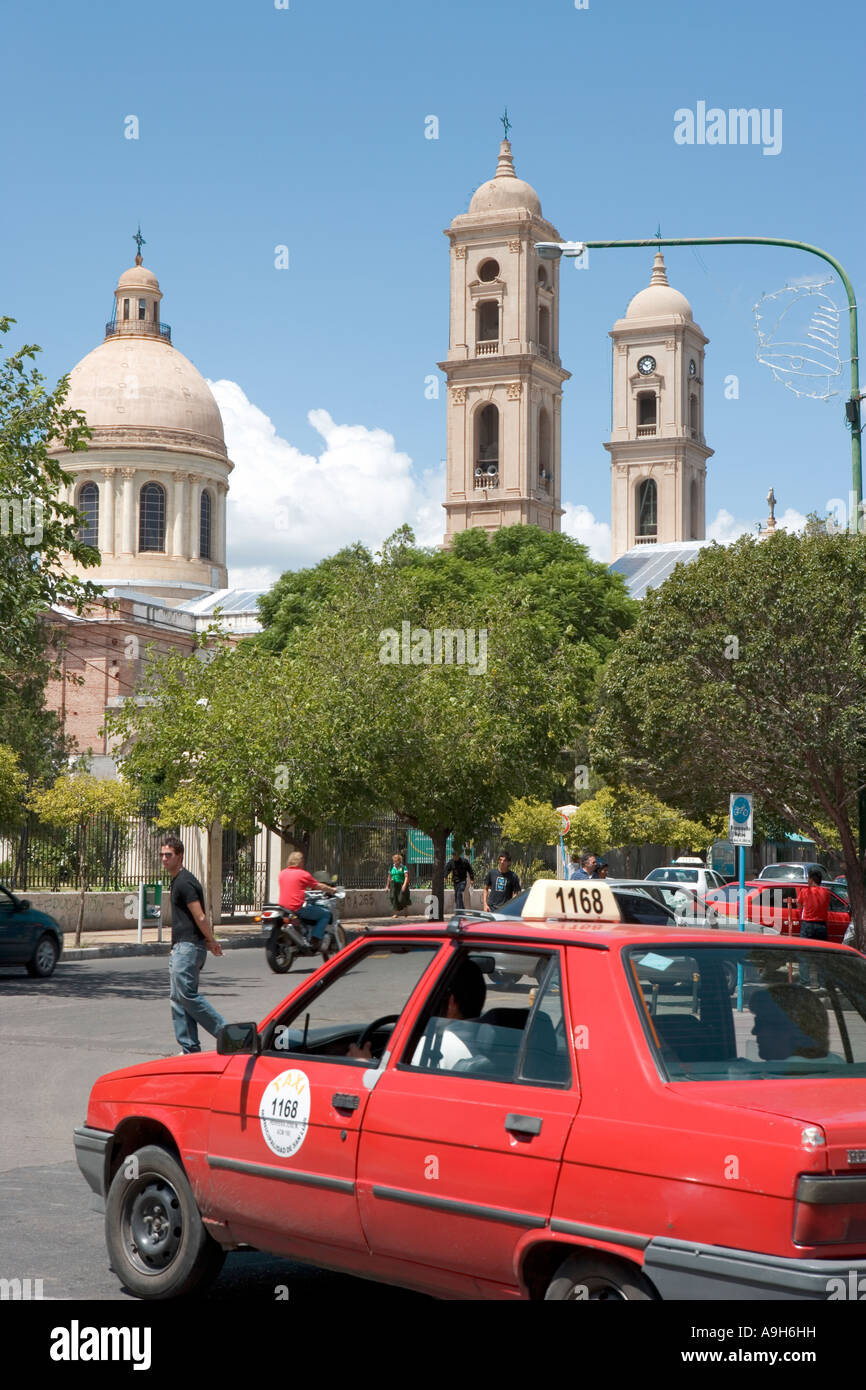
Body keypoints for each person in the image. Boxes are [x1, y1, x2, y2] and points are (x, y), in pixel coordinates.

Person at [162, 834, 226, 1055]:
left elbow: (199, 917)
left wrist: (211, 941)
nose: (164, 859)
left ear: (179, 856)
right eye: (162, 855)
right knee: (178, 997)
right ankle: (189, 1049)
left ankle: (228, 1035)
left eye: (168, 855)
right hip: (184, 947)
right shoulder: (179, 880)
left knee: (187, 995)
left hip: (187, 949)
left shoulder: (184, 882)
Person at [278, 851, 338, 948]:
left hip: (283, 908)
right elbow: (318, 885)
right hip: (297, 908)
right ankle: (315, 938)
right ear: (300, 861)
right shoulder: (302, 874)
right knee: (326, 914)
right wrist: (332, 890)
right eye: (303, 860)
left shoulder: (282, 873)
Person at [796, 868, 831, 984]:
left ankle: (805, 982)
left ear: (811, 880)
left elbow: (799, 904)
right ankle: (822, 982)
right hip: (822, 925)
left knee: (804, 955)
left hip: (808, 925)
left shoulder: (805, 891)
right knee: (822, 955)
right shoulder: (826, 892)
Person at [444, 845, 475, 910]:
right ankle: (462, 910)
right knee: (457, 897)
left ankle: (458, 911)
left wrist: (472, 879)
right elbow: (447, 869)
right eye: (453, 855)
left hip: (463, 881)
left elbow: (470, 870)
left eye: (455, 855)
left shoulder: (464, 861)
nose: (454, 857)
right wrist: (445, 876)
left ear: (458, 855)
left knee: (459, 894)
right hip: (455, 881)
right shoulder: (451, 862)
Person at [387, 852, 411, 918]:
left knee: (401, 899)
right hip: (393, 884)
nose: (395, 862)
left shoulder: (403, 867)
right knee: (393, 898)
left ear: (399, 861)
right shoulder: (391, 867)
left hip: (401, 884)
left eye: (396, 861)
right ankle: (395, 914)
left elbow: (406, 876)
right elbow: (389, 877)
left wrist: (404, 885)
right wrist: (387, 886)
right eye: (394, 861)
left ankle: (405, 909)